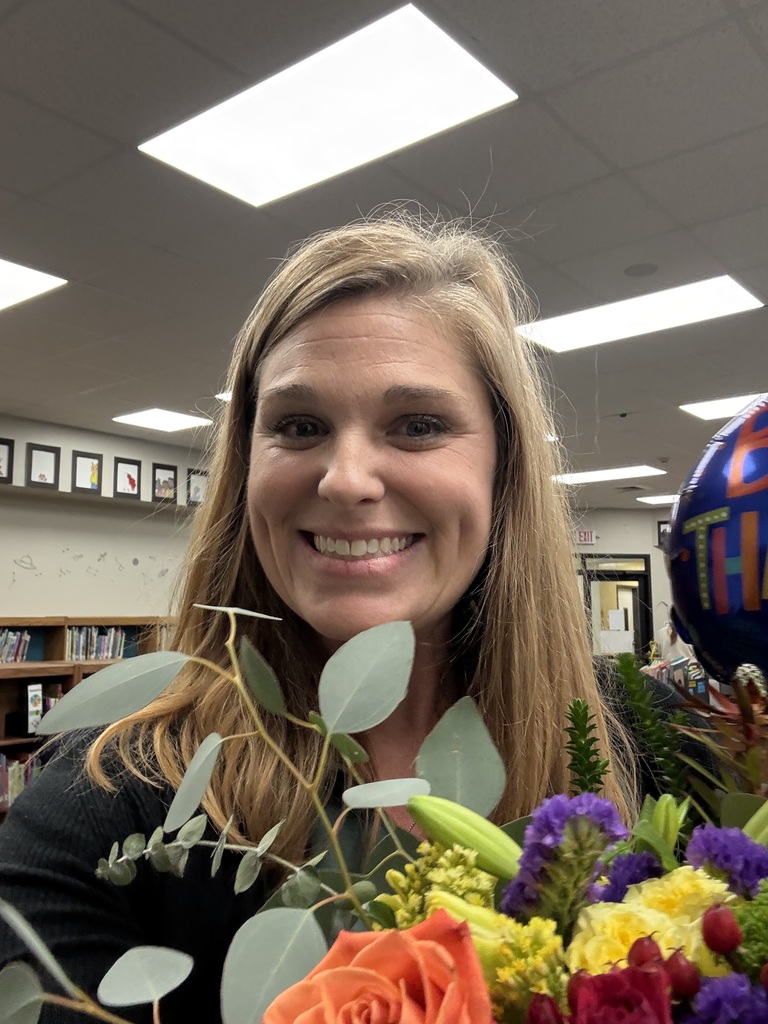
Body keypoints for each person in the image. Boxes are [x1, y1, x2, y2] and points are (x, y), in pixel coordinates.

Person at [0, 215, 634, 1022]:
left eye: (418, 425)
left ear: (504, 468)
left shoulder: (618, 741)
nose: (345, 480)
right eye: (299, 426)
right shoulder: (102, 808)